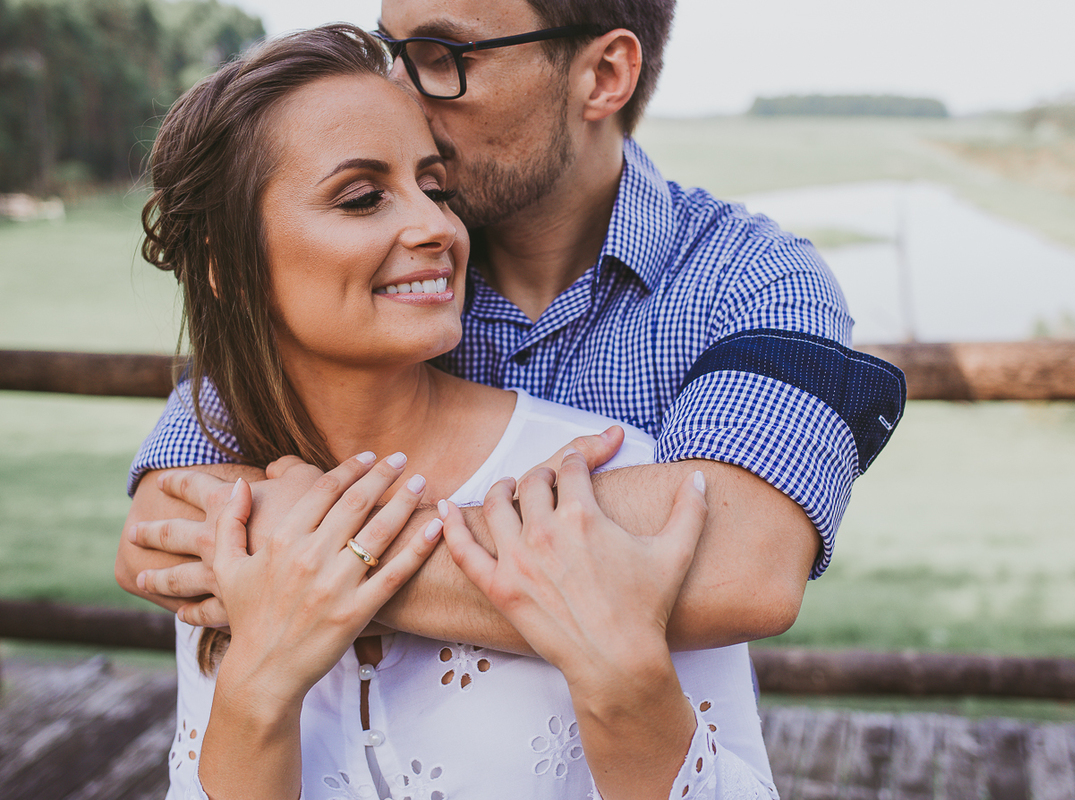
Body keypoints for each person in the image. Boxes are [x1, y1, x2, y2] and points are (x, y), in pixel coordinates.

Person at [118, 0, 904, 669]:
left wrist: (316, 572)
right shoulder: (388, 279)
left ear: (604, 76)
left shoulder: (753, 276)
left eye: (440, 55)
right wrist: (592, 564)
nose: (399, 94)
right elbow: (163, 533)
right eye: (393, 51)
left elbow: (743, 564)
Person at [147, 25, 776, 799]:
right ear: (223, 264)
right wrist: (258, 692)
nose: (439, 227)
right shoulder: (233, 517)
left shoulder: (609, 484)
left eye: (436, 188)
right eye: (362, 197)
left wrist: (625, 686)